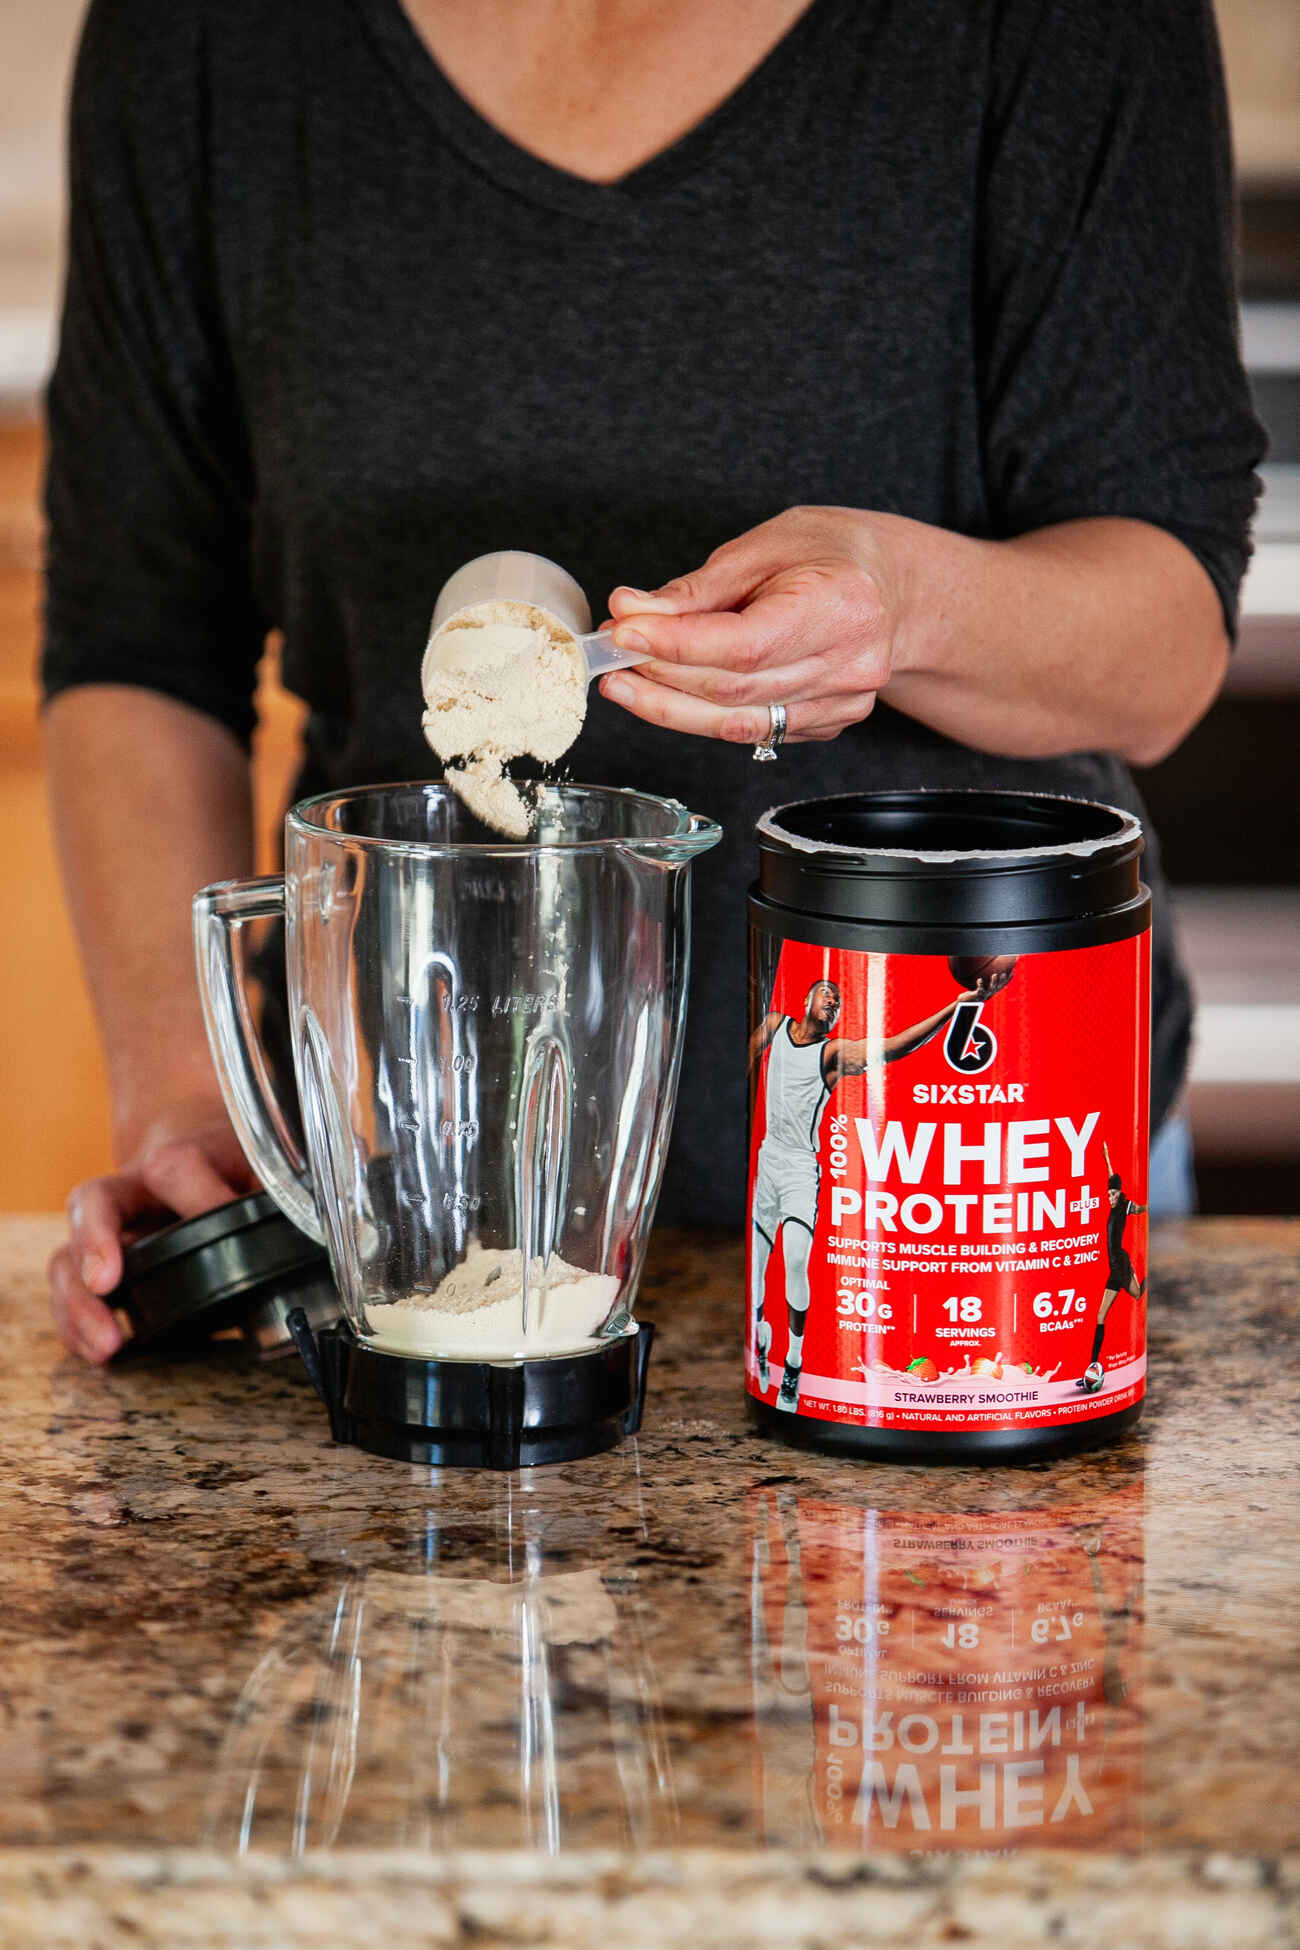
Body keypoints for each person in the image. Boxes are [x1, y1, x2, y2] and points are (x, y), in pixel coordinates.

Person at [40, 0, 1263, 1362]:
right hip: (412, 1225)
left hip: (972, 1193)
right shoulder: (203, 39)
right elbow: (135, 643)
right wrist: (192, 1104)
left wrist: (901, 607)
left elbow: (1164, 647)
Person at [750, 969, 1012, 1410]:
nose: (831, 1003)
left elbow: (893, 1047)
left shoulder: (832, 1054)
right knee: (756, 1280)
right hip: (766, 1157)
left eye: (837, 1001)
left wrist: (959, 1005)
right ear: (806, 999)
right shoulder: (774, 1025)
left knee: (795, 1258)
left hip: (798, 1167)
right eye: (825, 996)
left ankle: (793, 1362)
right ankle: (761, 1335)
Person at [1077, 1140, 1149, 1394]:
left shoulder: (1123, 1207)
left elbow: (1138, 1207)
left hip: (1121, 1263)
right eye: (1108, 1194)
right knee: (1099, 1316)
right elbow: (1112, 1178)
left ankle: (1145, 1278)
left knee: (1138, 1295)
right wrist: (1107, 1156)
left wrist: (1144, 1208)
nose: (1109, 1197)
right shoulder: (1113, 1201)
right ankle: (1093, 1363)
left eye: (1113, 1194)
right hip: (1113, 1268)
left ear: (1120, 1195)